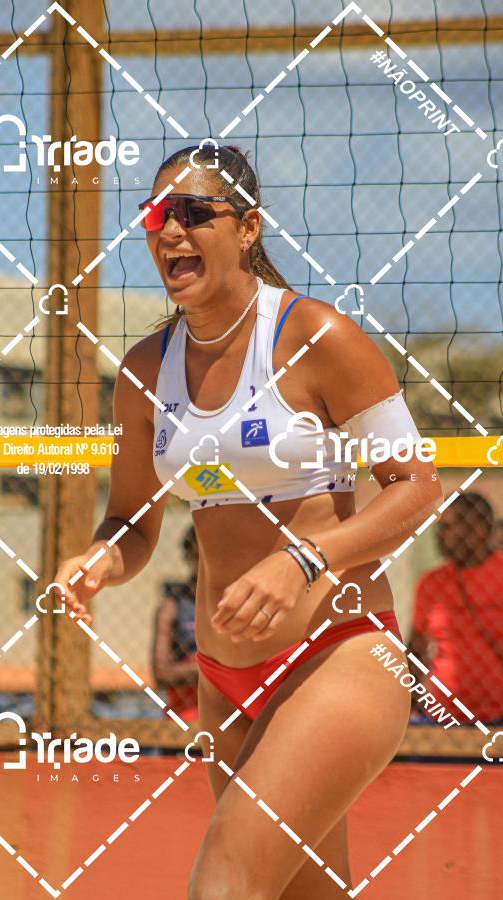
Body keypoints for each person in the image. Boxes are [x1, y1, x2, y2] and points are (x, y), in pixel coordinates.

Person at [54, 144, 442, 899]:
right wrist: (98, 559)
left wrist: (304, 557)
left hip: (338, 652)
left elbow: (417, 488)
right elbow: (131, 522)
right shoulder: (144, 369)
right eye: (157, 214)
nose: (171, 229)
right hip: (224, 677)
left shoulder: (316, 335)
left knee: (224, 888)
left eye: (193, 212)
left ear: (248, 227)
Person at [408, 493, 503, 723]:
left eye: (448, 527)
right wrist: (410, 703)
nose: (439, 534)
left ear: (478, 530)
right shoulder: (431, 583)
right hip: (442, 714)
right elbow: (416, 650)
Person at [151, 524, 199, 722]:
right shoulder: (172, 607)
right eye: (198, 553)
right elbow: (161, 673)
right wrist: (212, 672)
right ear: (189, 555)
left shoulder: (233, 602)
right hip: (186, 713)